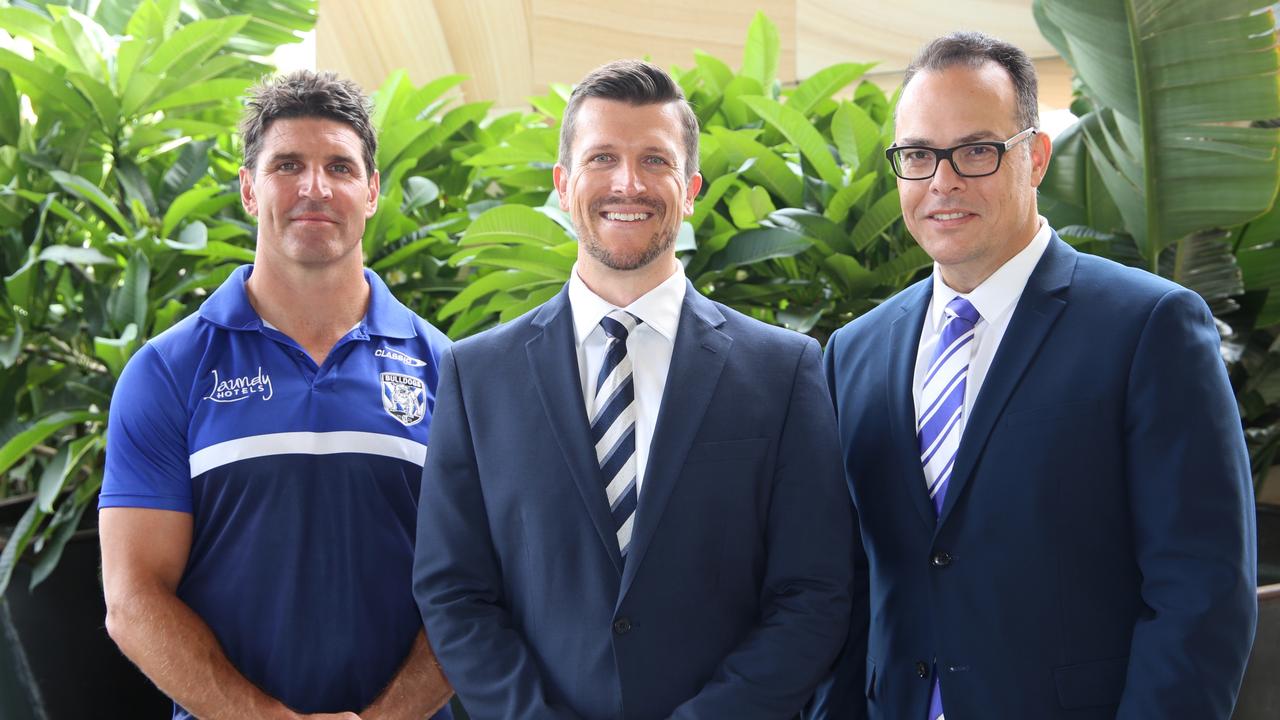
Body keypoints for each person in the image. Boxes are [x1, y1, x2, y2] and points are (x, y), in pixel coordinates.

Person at [811, 31, 1257, 720]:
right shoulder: (854, 351)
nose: (943, 181)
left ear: (1035, 157)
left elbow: (1200, 593)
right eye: (919, 155)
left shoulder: (1150, 328)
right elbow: (845, 587)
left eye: (977, 151)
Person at [413, 59, 852, 720]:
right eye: (602, 158)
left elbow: (813, 591)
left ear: (692, 186)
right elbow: (453, 588)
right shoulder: (477, 375)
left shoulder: (784, 370)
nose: (627, 183)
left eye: (655, 160)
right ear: (563, 185)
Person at [99, 70, 453, 720]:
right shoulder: (166, 372)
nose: (314, 188)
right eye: (288, 164)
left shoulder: (447, 372)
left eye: (340, 168)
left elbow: (478, 587)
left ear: (371, 192)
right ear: (247, 187)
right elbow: (134, 599)